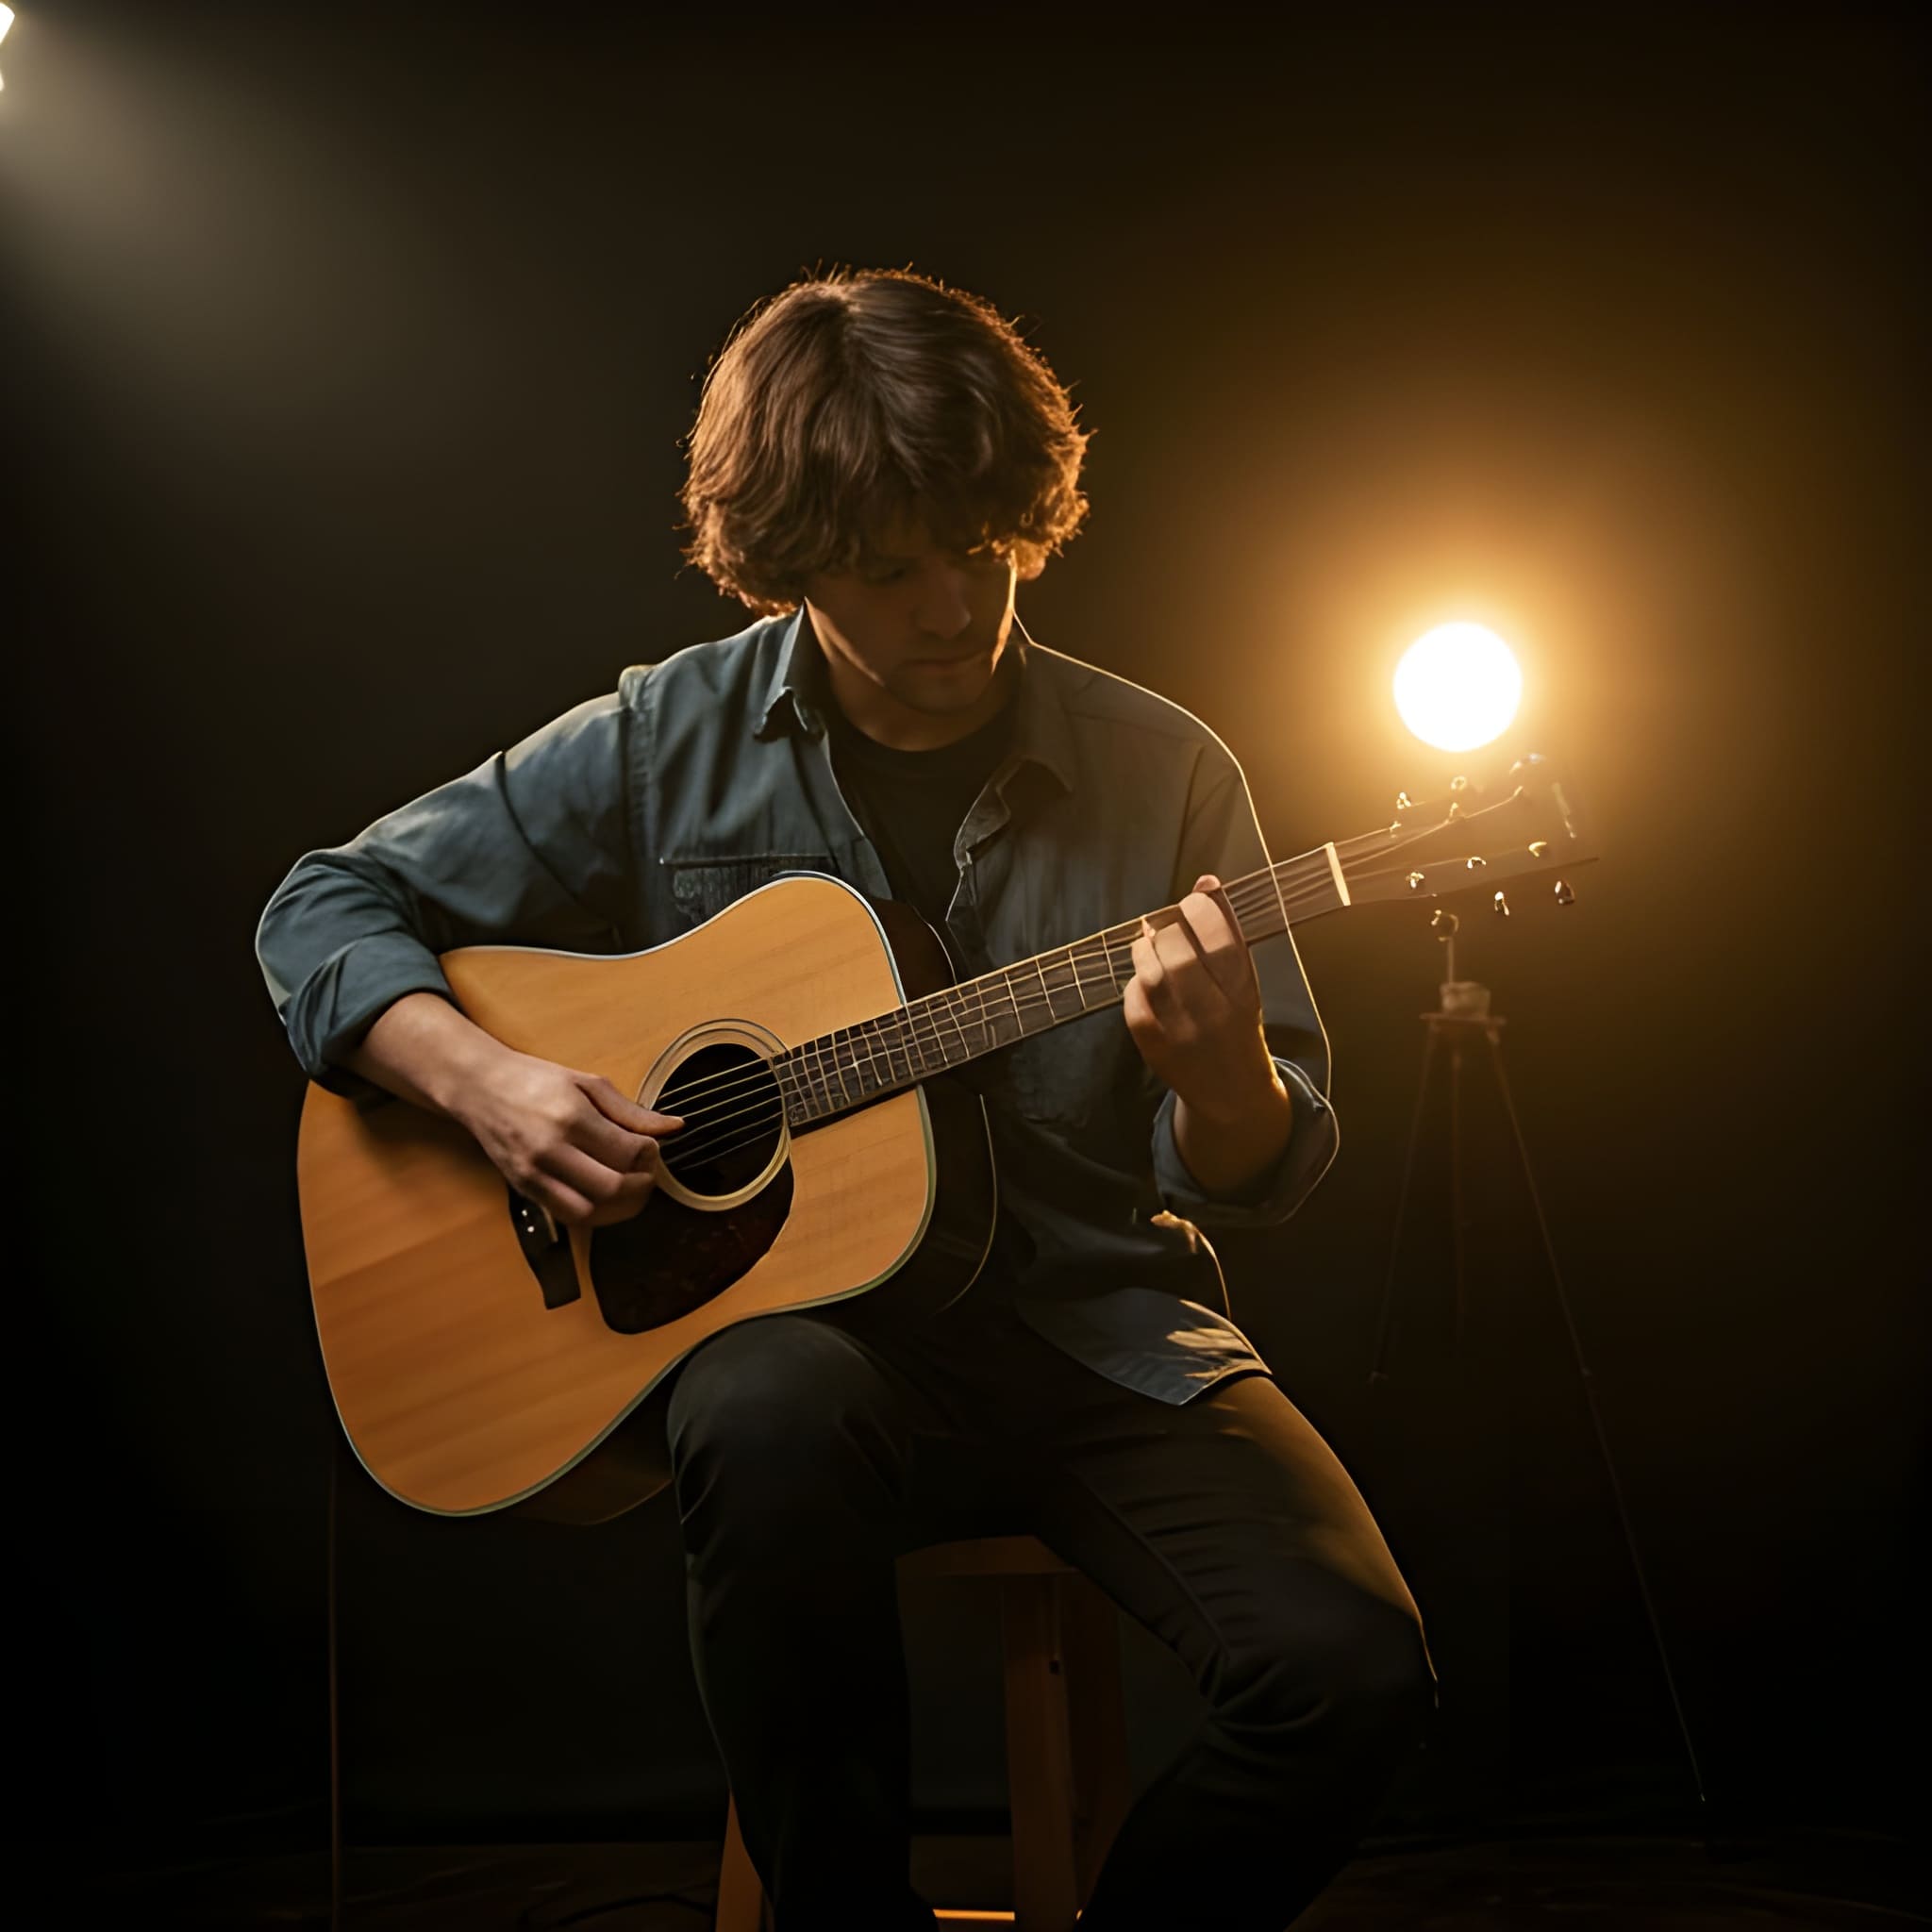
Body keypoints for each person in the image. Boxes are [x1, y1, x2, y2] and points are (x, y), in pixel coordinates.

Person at [256, 268, 1436, 1930]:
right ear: (790, 559)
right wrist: (493, 1084)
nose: (957, 609)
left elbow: (1258, 1167)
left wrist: (1223, 1076)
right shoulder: (668, 738)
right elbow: (322, 904)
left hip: (1097, 1341)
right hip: (812, 1367)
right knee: (765, 1403)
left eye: (988, 550)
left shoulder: (1169, 769)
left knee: (1353, 1673)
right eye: (892, 570)